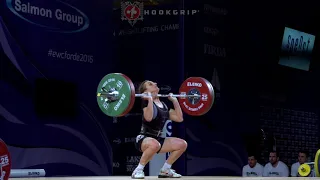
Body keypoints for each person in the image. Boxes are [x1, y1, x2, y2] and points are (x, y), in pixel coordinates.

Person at [132, 80, 188, 179]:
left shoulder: (164, 105)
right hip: (143, 139)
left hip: (158, 140)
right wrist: (149, 99)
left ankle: (165, 169)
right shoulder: (145, 103)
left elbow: (179, 118)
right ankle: (138, 170)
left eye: (154, 83)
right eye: (150, 84)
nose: (155, 84)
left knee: (182, 144)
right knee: (154, 144)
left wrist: (175, 101)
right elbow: (149, 118)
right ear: (145, 91)